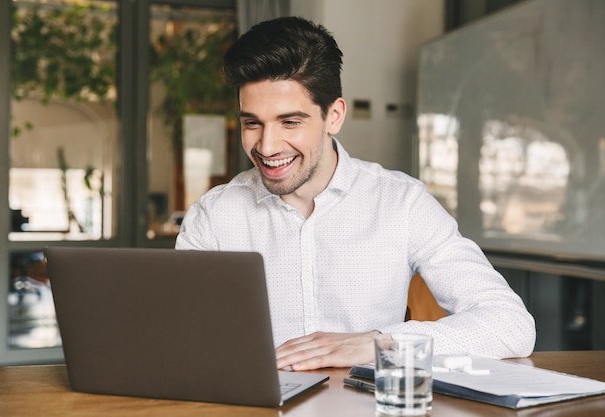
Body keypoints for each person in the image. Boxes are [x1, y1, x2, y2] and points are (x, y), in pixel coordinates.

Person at [176, 16, 536, 371]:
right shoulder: (214, 216)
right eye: (252, 123)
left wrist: (379, 344)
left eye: (290, 122)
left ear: (334, 116)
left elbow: (511, 325)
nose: (267, 147)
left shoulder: (401, 203)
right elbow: (176, 336)